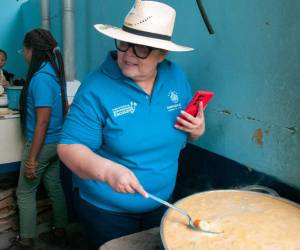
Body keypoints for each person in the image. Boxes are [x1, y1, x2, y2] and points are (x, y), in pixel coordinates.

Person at [58, 1, 205, 249]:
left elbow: (186, 133)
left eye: (141, 49)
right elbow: (69, 147)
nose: (127, 55)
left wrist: (197, 130)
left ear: (162, 54)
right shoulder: (96, 88)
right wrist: (108, 171)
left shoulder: (176, 77)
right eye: (124, 43)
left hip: (162, 203)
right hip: (107, 213)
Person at [9, 28, 68, 250]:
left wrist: (32, 158)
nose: (23, 54)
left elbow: (42, 122)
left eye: (23, 50)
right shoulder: (53, 72)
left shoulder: (41, 78)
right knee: (54, 185)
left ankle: (25, 239)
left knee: (24, 192)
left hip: (43, 144)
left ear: (30, 50)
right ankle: (60, 230)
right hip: (56, 142)